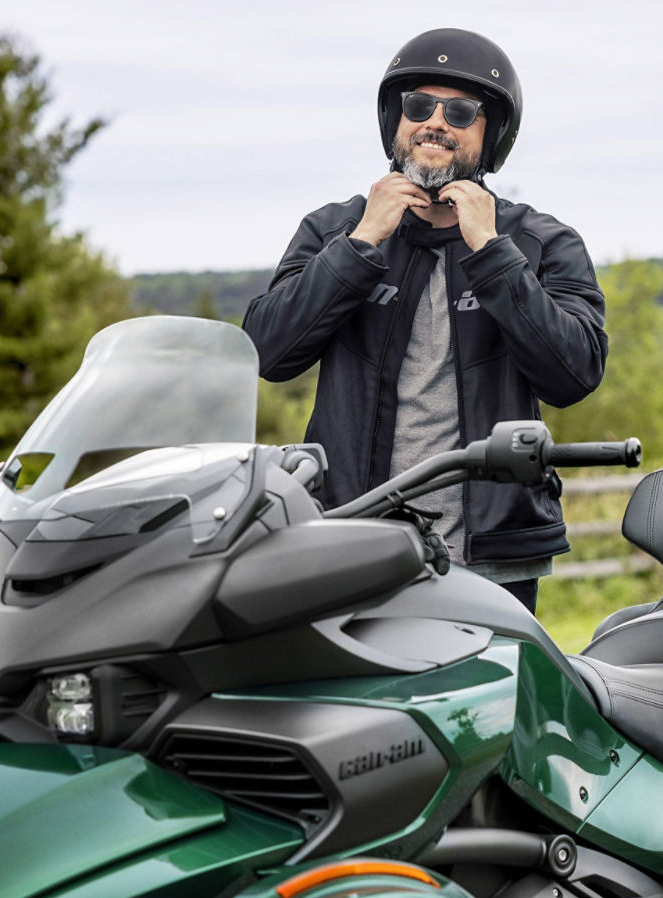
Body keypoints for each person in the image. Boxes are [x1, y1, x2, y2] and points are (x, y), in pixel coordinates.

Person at [242, 28, 607, 613]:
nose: (436, 121)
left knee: (490, 704)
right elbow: (267, 352)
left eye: (461, 112)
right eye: (419, 106)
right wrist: (361, 244)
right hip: (350, 539)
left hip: (491, 555)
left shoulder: (540, 242)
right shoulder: (334, 230)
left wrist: (491, 252)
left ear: (491, 138)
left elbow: (575, 374)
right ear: (395, 120)